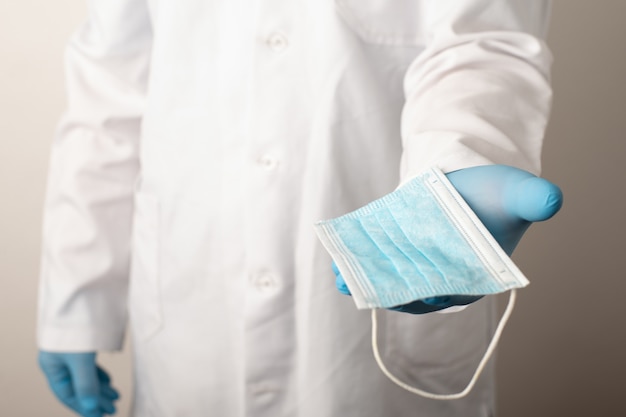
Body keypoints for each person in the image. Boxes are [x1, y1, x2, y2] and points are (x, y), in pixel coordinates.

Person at [37, 1, 561, 416]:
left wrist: (464, 160)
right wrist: (76, 296)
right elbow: (110, 92)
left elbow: (483, 38)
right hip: (190, 297)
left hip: (376, 317)